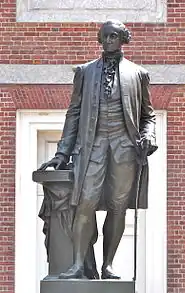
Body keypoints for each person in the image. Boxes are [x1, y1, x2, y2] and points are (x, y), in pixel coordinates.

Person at [40, 19, 157, 279]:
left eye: (113, 36)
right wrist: (62, 153)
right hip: (92, 147)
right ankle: (78, 264)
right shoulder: (85, 71)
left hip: (124, 147)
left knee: (118, 207)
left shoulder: (138, 74)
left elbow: (148, 116)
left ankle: (108, 265)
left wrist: (148, 136)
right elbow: (74, 114)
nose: (108, 41)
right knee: (85, 203)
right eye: (104, 37)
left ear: (124, 39)